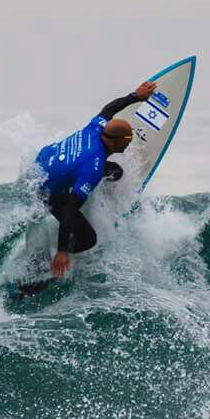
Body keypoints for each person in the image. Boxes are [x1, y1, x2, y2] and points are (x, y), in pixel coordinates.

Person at [33, 79, 157, 278]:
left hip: (42, 164)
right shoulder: (92, 168)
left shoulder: (97, 127)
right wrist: (63, 251)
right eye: (127, 140)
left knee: (115, 171)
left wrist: (135, 96)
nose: (129, 143)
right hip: (48, 190)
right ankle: (51, 260)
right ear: (115, 142)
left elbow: (110, 108)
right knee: (88, 239)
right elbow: (70, 209)